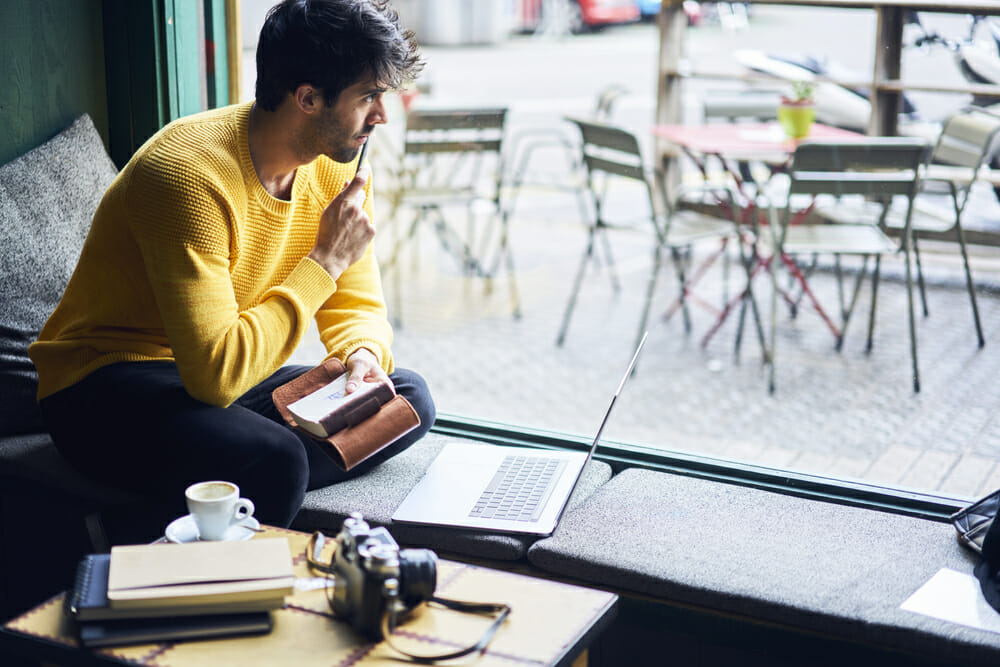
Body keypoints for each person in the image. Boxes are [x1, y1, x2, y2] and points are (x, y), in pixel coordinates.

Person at [28, 0, 433, 535]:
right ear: (308, 98)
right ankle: (108, 538)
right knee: (278, 461)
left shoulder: (341, 164)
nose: (382, 115)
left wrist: (360, 357)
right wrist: (323, 261)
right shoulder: (188, 174)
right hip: (102, 385)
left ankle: (197, 502)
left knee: (405, 398)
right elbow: (216, 377)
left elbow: (353, 301)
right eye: (369, 97)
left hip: (216, 369)